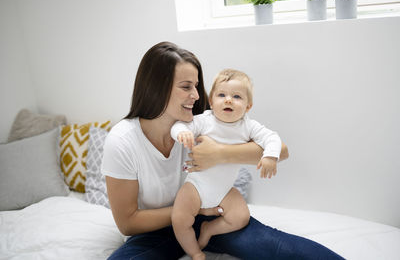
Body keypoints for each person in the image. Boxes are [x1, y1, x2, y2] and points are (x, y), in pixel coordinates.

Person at [101, 41, 345, 259]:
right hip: (156, 231)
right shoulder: (122, 140)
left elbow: (281, 150)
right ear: (157, 87)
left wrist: (220, 153)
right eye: (186, 87)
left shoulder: (202, 120)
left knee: (278, 248)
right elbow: (128, 223)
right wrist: (190, 210)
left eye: (196, 86)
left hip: (211, 217)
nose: (197, 96)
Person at [170, 68, 282, 259]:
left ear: (248, 106)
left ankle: (209, 230)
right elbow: (179, 125)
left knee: (241, 217)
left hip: (225, 190)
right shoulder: (205, 121)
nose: (228, 100)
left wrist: (270, 156)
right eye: (222, 95)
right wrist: (182, 133)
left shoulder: (248, 126)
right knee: (179, 218)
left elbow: (272, 137)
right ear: (212, 102)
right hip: (195, 186)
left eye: (237, 96)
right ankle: (195, 252)